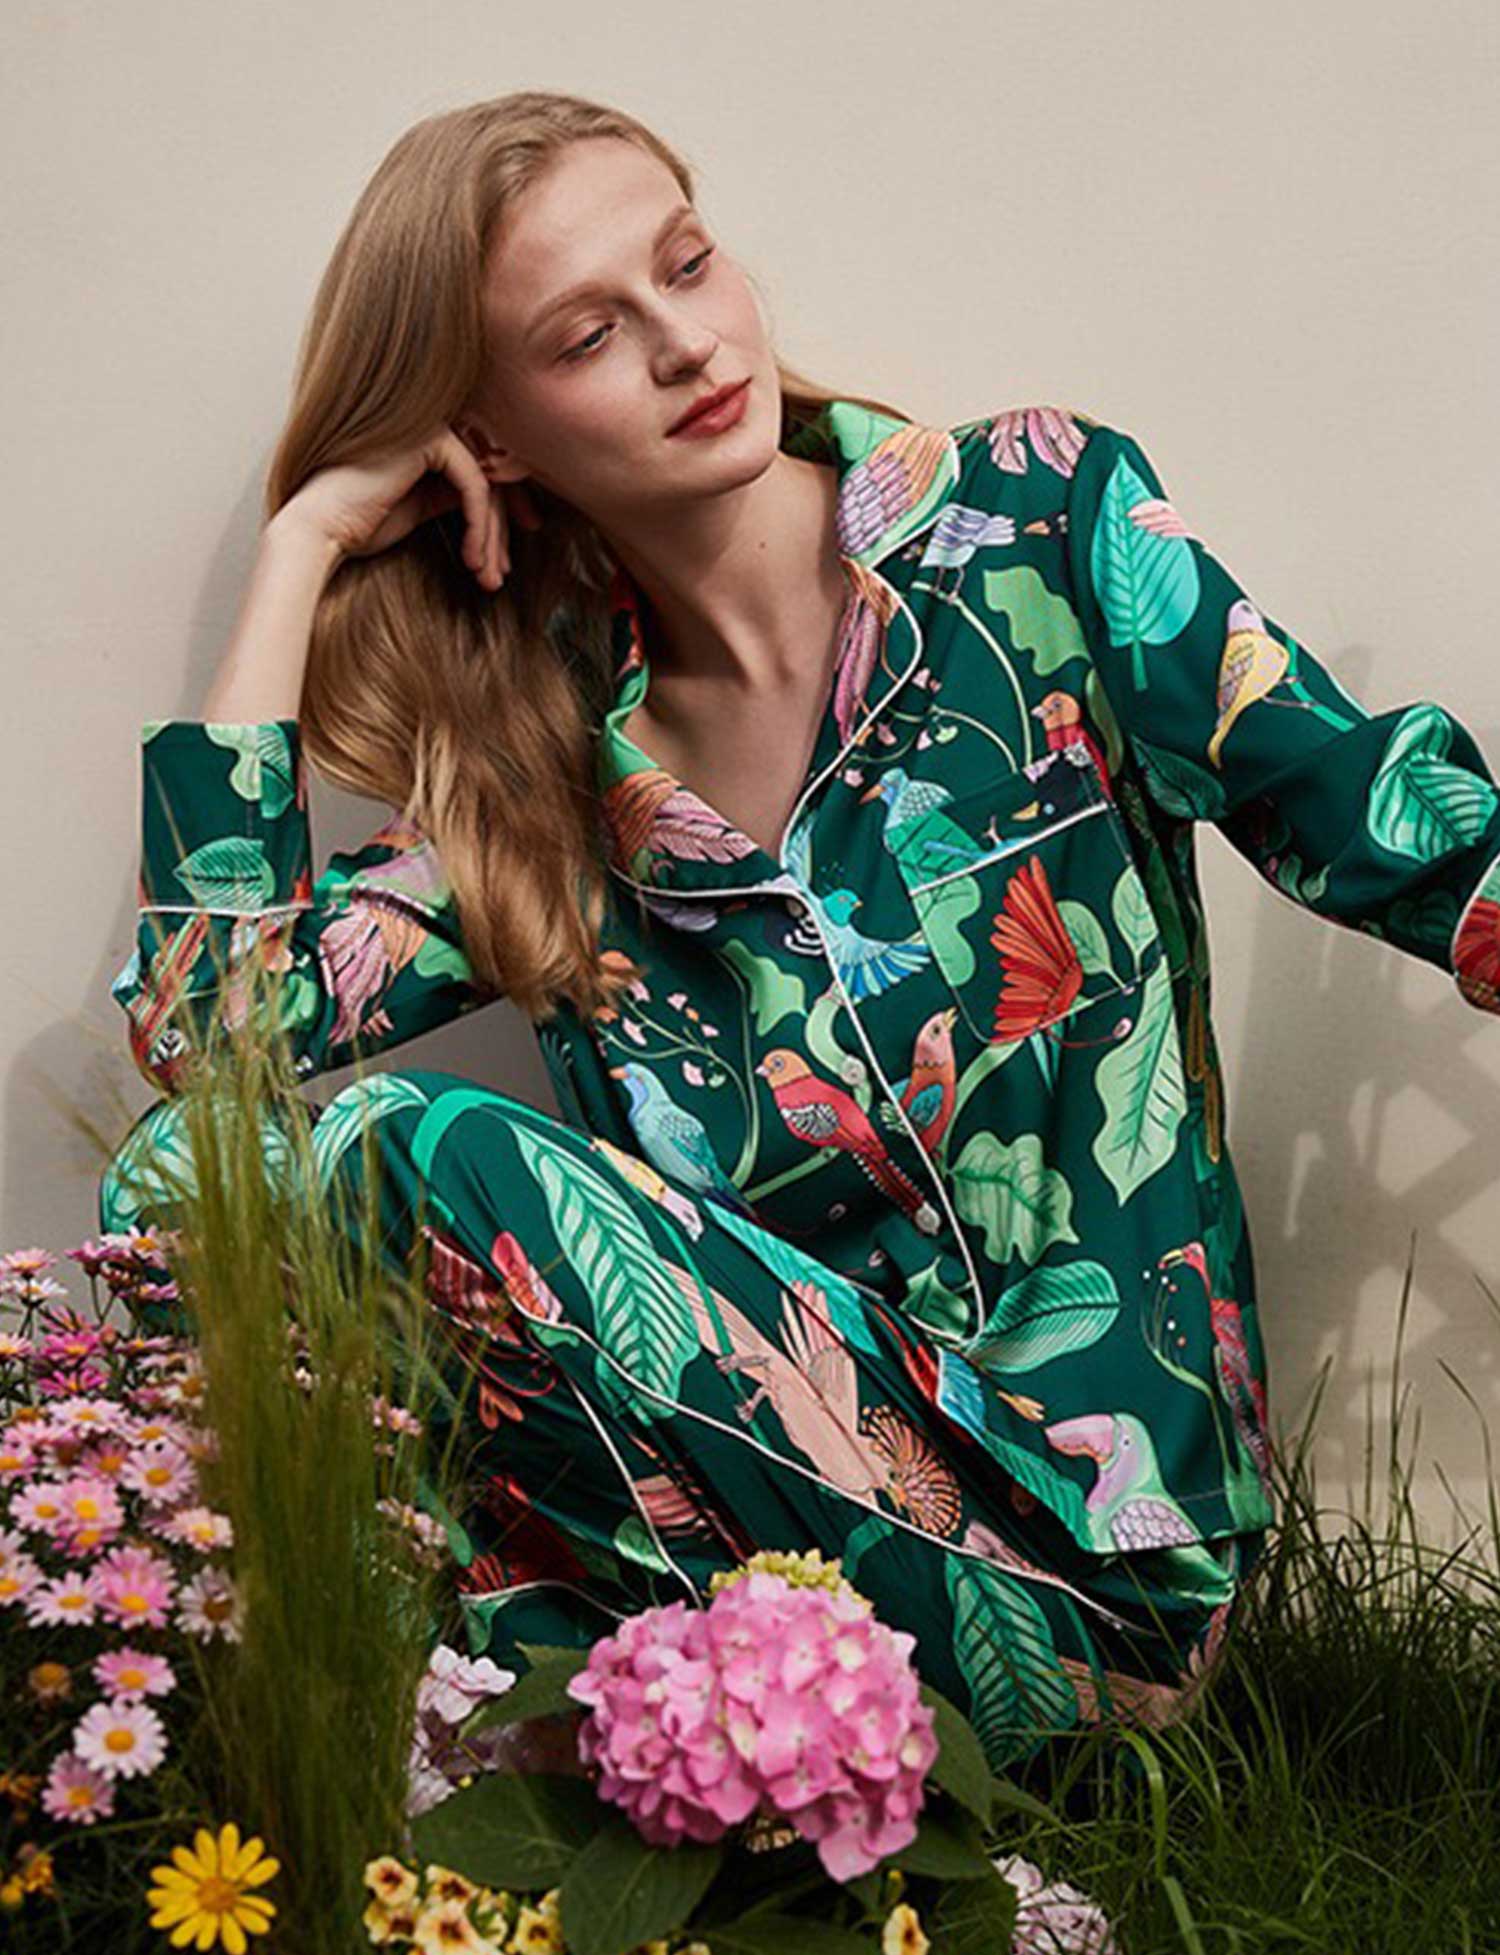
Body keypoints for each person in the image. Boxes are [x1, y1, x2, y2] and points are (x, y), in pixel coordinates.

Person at [100, 88, 1500, 1778]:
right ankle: (468, 1783)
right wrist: (308, 541)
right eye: (590, 337)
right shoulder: (544, 776)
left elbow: (1389, 827)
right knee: (183, 1187)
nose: (689, 343)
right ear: (493, 438)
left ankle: (504, 1761)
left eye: (688, 263)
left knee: (411, 1143)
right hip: (747, 1577)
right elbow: (207, 1032)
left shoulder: (1034, 527)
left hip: (1099, 1558)